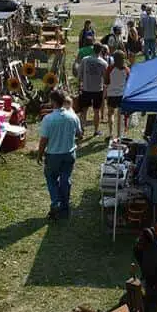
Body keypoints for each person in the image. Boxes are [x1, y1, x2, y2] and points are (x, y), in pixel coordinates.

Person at [36, 91, 82, 220]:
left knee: (51, 178)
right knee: (65, 180)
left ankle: (56, 202)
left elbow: (44, 140)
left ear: (53, 101)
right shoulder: (73, 117)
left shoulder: (48, 119)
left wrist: (39, 154)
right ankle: (65, 207)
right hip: (69, 153)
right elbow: (79, 134)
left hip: (53, 155)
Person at [78, 43, 108, 137]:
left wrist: (81, 83)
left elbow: (80, 74)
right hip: (98, 90)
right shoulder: (103, 63)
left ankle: (81, 129)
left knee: (84, 111)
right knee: (96, 111)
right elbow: (106, 78)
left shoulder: (85, 60)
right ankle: (96, 130)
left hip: (86, 89)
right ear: (100, 51)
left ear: (92, 49)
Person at [104, 51, 130, 138]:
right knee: (120, 116)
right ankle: (119, 135)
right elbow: (128, 82)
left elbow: (106, 82)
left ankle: (110, 133)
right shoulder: (126, 70)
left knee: (110, 114)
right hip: (122, 95)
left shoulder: (110, 68)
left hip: (111, 94)